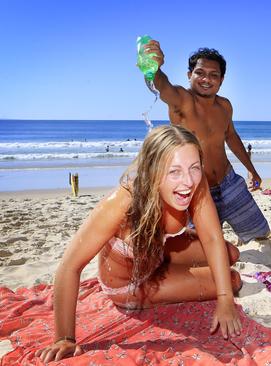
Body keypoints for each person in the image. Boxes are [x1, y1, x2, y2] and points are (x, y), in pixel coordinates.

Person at [35, 125, 242, 363]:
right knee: (232, 279)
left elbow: (212, 237)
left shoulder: (195, 181)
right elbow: (69, 266)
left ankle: (184, 274)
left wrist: (226, 300)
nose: (188, 181)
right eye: (174, 171)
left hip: (159, 254)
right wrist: (65, 338)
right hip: (131, 281)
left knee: (231, 252)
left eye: (194, 167)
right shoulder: (122, 203)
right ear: (153, 171)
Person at [141, 40, 269, 244]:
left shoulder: (225, 106)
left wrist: (252, 170)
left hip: (229, 183)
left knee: (261, 236)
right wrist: (155, 68)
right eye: (200, 72)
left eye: (213, 74)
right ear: (189, 75)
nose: (206, 79)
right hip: (197, 190)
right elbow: (162, 86)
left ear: (222, 79)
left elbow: (231, 137)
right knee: (200, 248)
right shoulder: (182, 100)